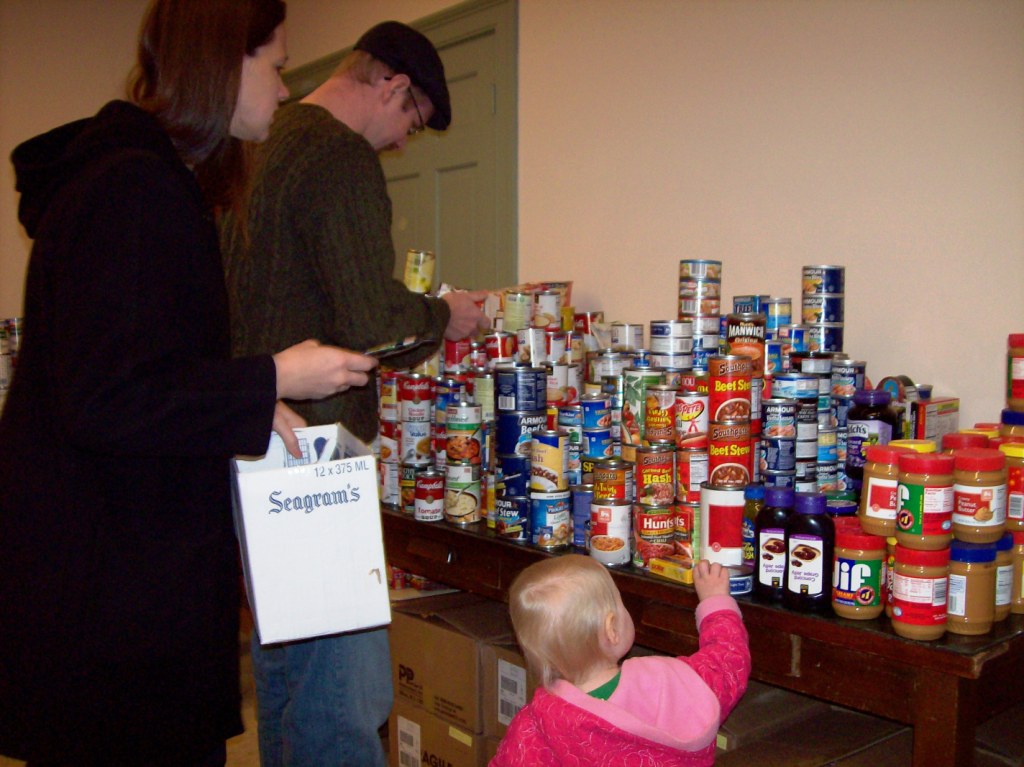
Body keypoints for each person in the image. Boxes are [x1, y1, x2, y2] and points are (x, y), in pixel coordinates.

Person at [0, 1, 378, 765]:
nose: (283, 88)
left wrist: (255, 400)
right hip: (111, 608)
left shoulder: (143, 181)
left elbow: (144, 363)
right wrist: (272, 373)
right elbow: (106, 396)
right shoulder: (133, 189)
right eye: (274, 65)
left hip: (116, 585)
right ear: (221, 63)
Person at [221, 20, 490, 767]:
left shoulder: (260, 145)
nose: (403, 142)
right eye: (412, 121)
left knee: (285, 665)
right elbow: (373, 320)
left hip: (251, 433)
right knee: (344, 690)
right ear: (392, 86)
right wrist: (444, 314)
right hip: (314, 447)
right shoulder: (339, 155)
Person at [491, 556, 752, 767]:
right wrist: (715, 601)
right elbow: (727, 661)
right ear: (612, 629)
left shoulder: (537, 724)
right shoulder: (669, 682)